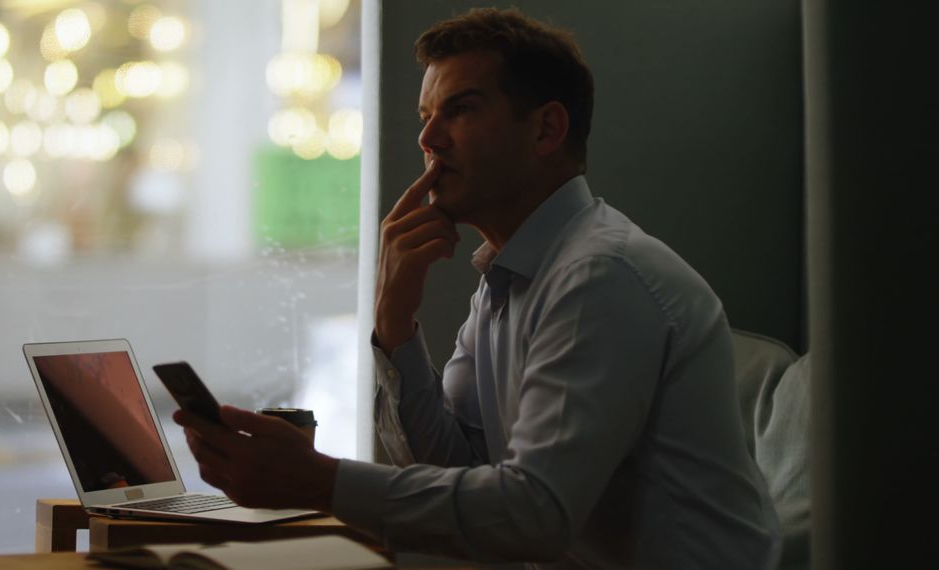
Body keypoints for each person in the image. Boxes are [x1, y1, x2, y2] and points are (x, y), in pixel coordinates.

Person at [174, 7, 781, 568]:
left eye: (459, 109)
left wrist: (315, 479)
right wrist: (394, 321)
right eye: (425, 116)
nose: (428, 139)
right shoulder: (509, 280)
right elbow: (454, 471)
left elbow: (531, 515)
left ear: (546, 130)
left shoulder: (599, 275)